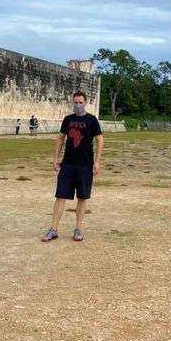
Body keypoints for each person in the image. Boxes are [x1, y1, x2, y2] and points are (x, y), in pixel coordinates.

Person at [42, 91, 104, 243]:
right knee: (60, 196)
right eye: (75, 102)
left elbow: (100, 140)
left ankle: (78, 228)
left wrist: (97, 161)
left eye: (80, 102)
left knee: (82, 197)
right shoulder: (68, 119)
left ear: (85, 102)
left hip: (85, 165)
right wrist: (56, 158)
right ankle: (53, 229)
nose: (77, 105)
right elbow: (61, 138)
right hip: (68, 164)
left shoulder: (92, 120)